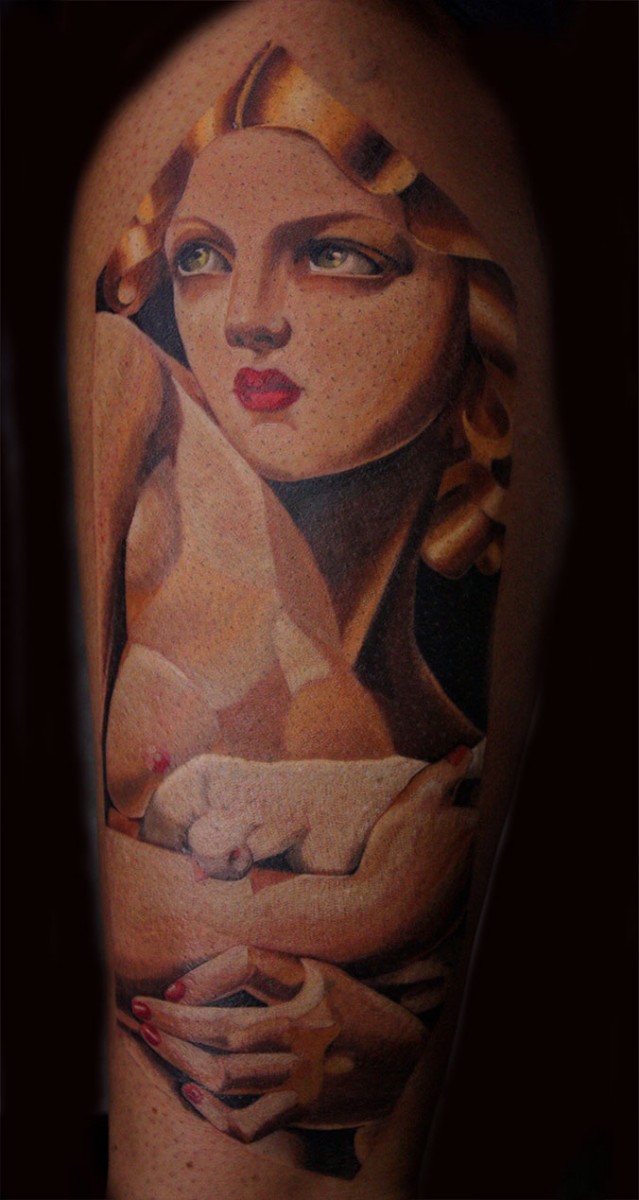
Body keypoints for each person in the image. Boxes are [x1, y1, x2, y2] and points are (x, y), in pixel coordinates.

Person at [68, 5, 560, 1196]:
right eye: (198, 256)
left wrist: (375, 1051)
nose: (246, 315)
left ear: (472, 295)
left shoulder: (425, 647)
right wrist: (380, 900)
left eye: (336, 253)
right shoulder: (172, 446)